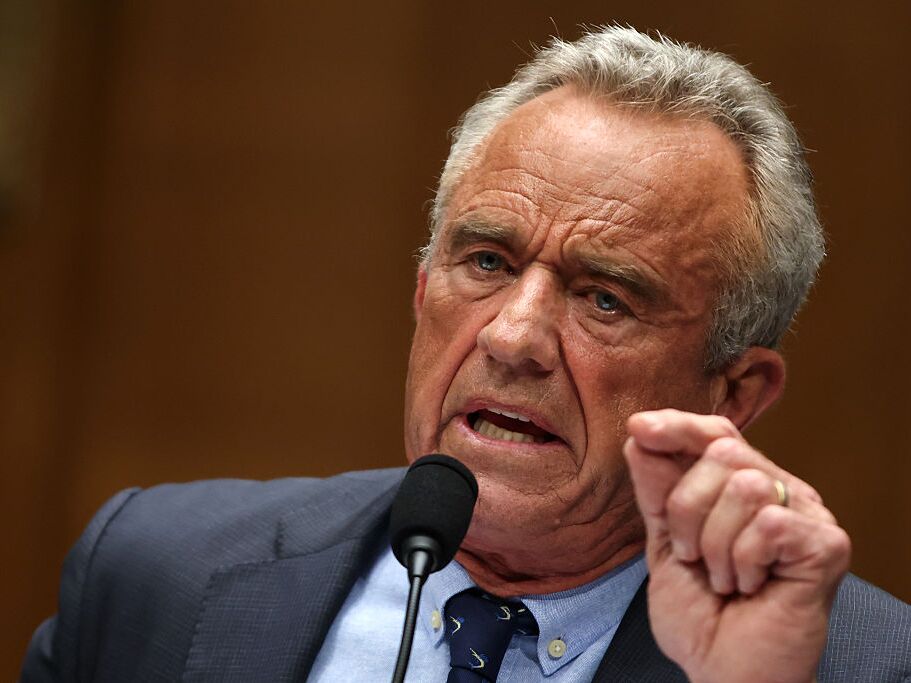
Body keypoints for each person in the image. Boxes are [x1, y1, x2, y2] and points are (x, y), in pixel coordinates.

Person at [21, 25, 910, 683]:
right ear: (420, 293)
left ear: (732, 394)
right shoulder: (151, 573)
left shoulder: (858, 666)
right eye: (486, 262)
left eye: (605, 297)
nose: (511, 336)